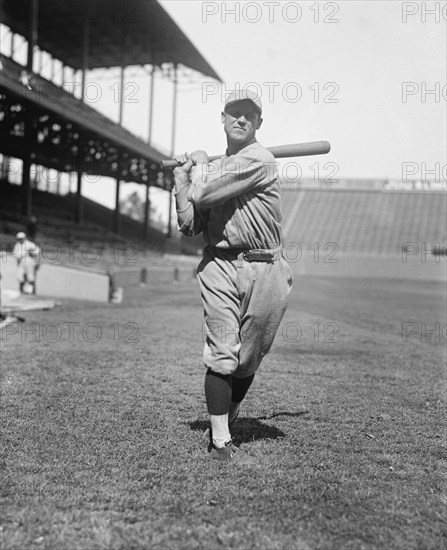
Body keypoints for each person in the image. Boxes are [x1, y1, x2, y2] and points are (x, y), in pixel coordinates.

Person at [173, 90, 293, 464]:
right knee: (223, 353)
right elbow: (191, 223)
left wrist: (198, 164)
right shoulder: (220, 165)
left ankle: (229, 413)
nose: (241, 120)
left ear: (258, 123)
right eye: (234, 114)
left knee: (248, 359)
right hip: (220, 265)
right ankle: (220, 442)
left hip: (266, 267)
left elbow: (206, 193)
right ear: (222, 119)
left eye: (249, 115)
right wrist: (180, 179)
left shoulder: (259, 159)